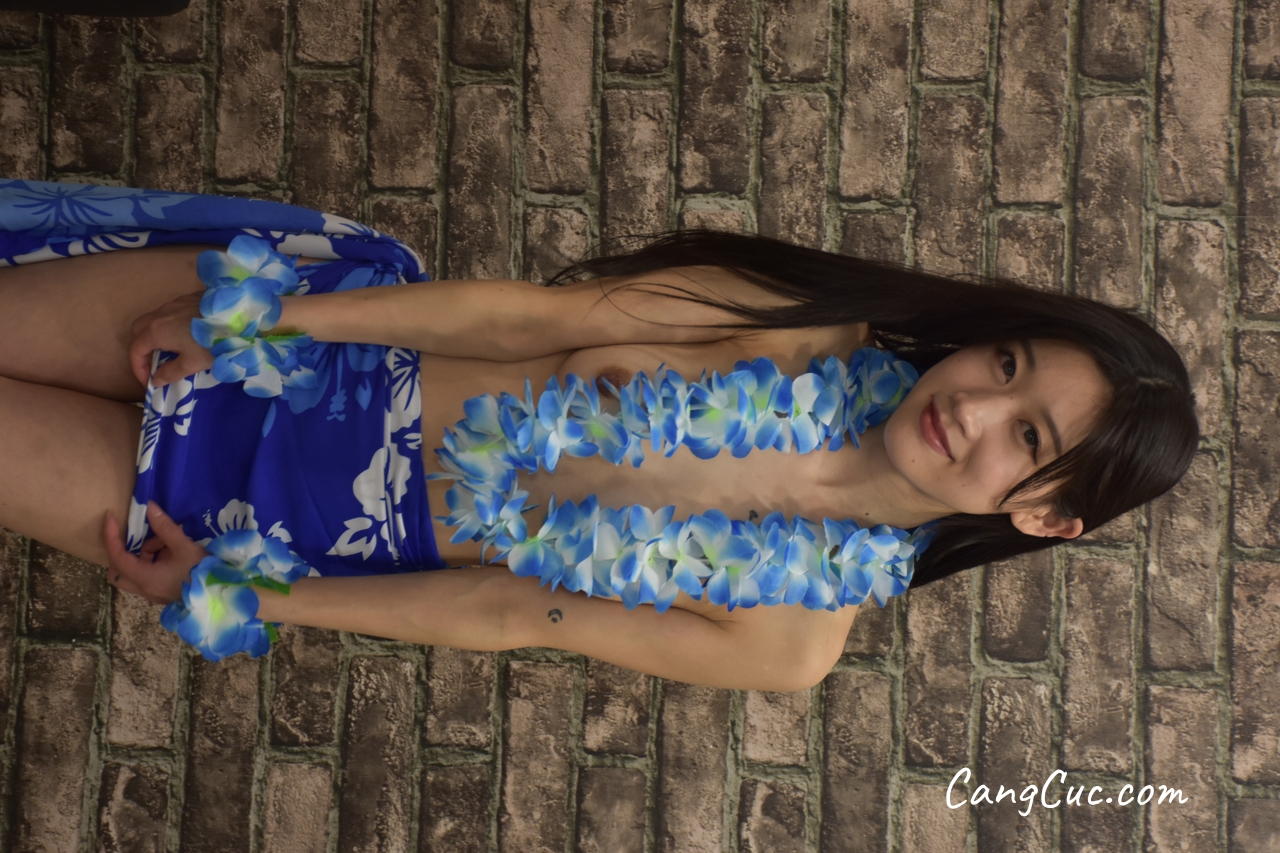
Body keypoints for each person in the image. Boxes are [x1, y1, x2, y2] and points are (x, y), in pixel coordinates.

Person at [0, 179, 1198, 691]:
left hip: (278, 522)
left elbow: (511, 611)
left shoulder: (788, 639)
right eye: (1003, 363)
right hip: (311, 350)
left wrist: (251, 595)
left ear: (1044, 513)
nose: (970, 408)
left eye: (1024, 434)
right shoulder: (799, 330)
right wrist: (262, 317)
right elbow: (525, 319)